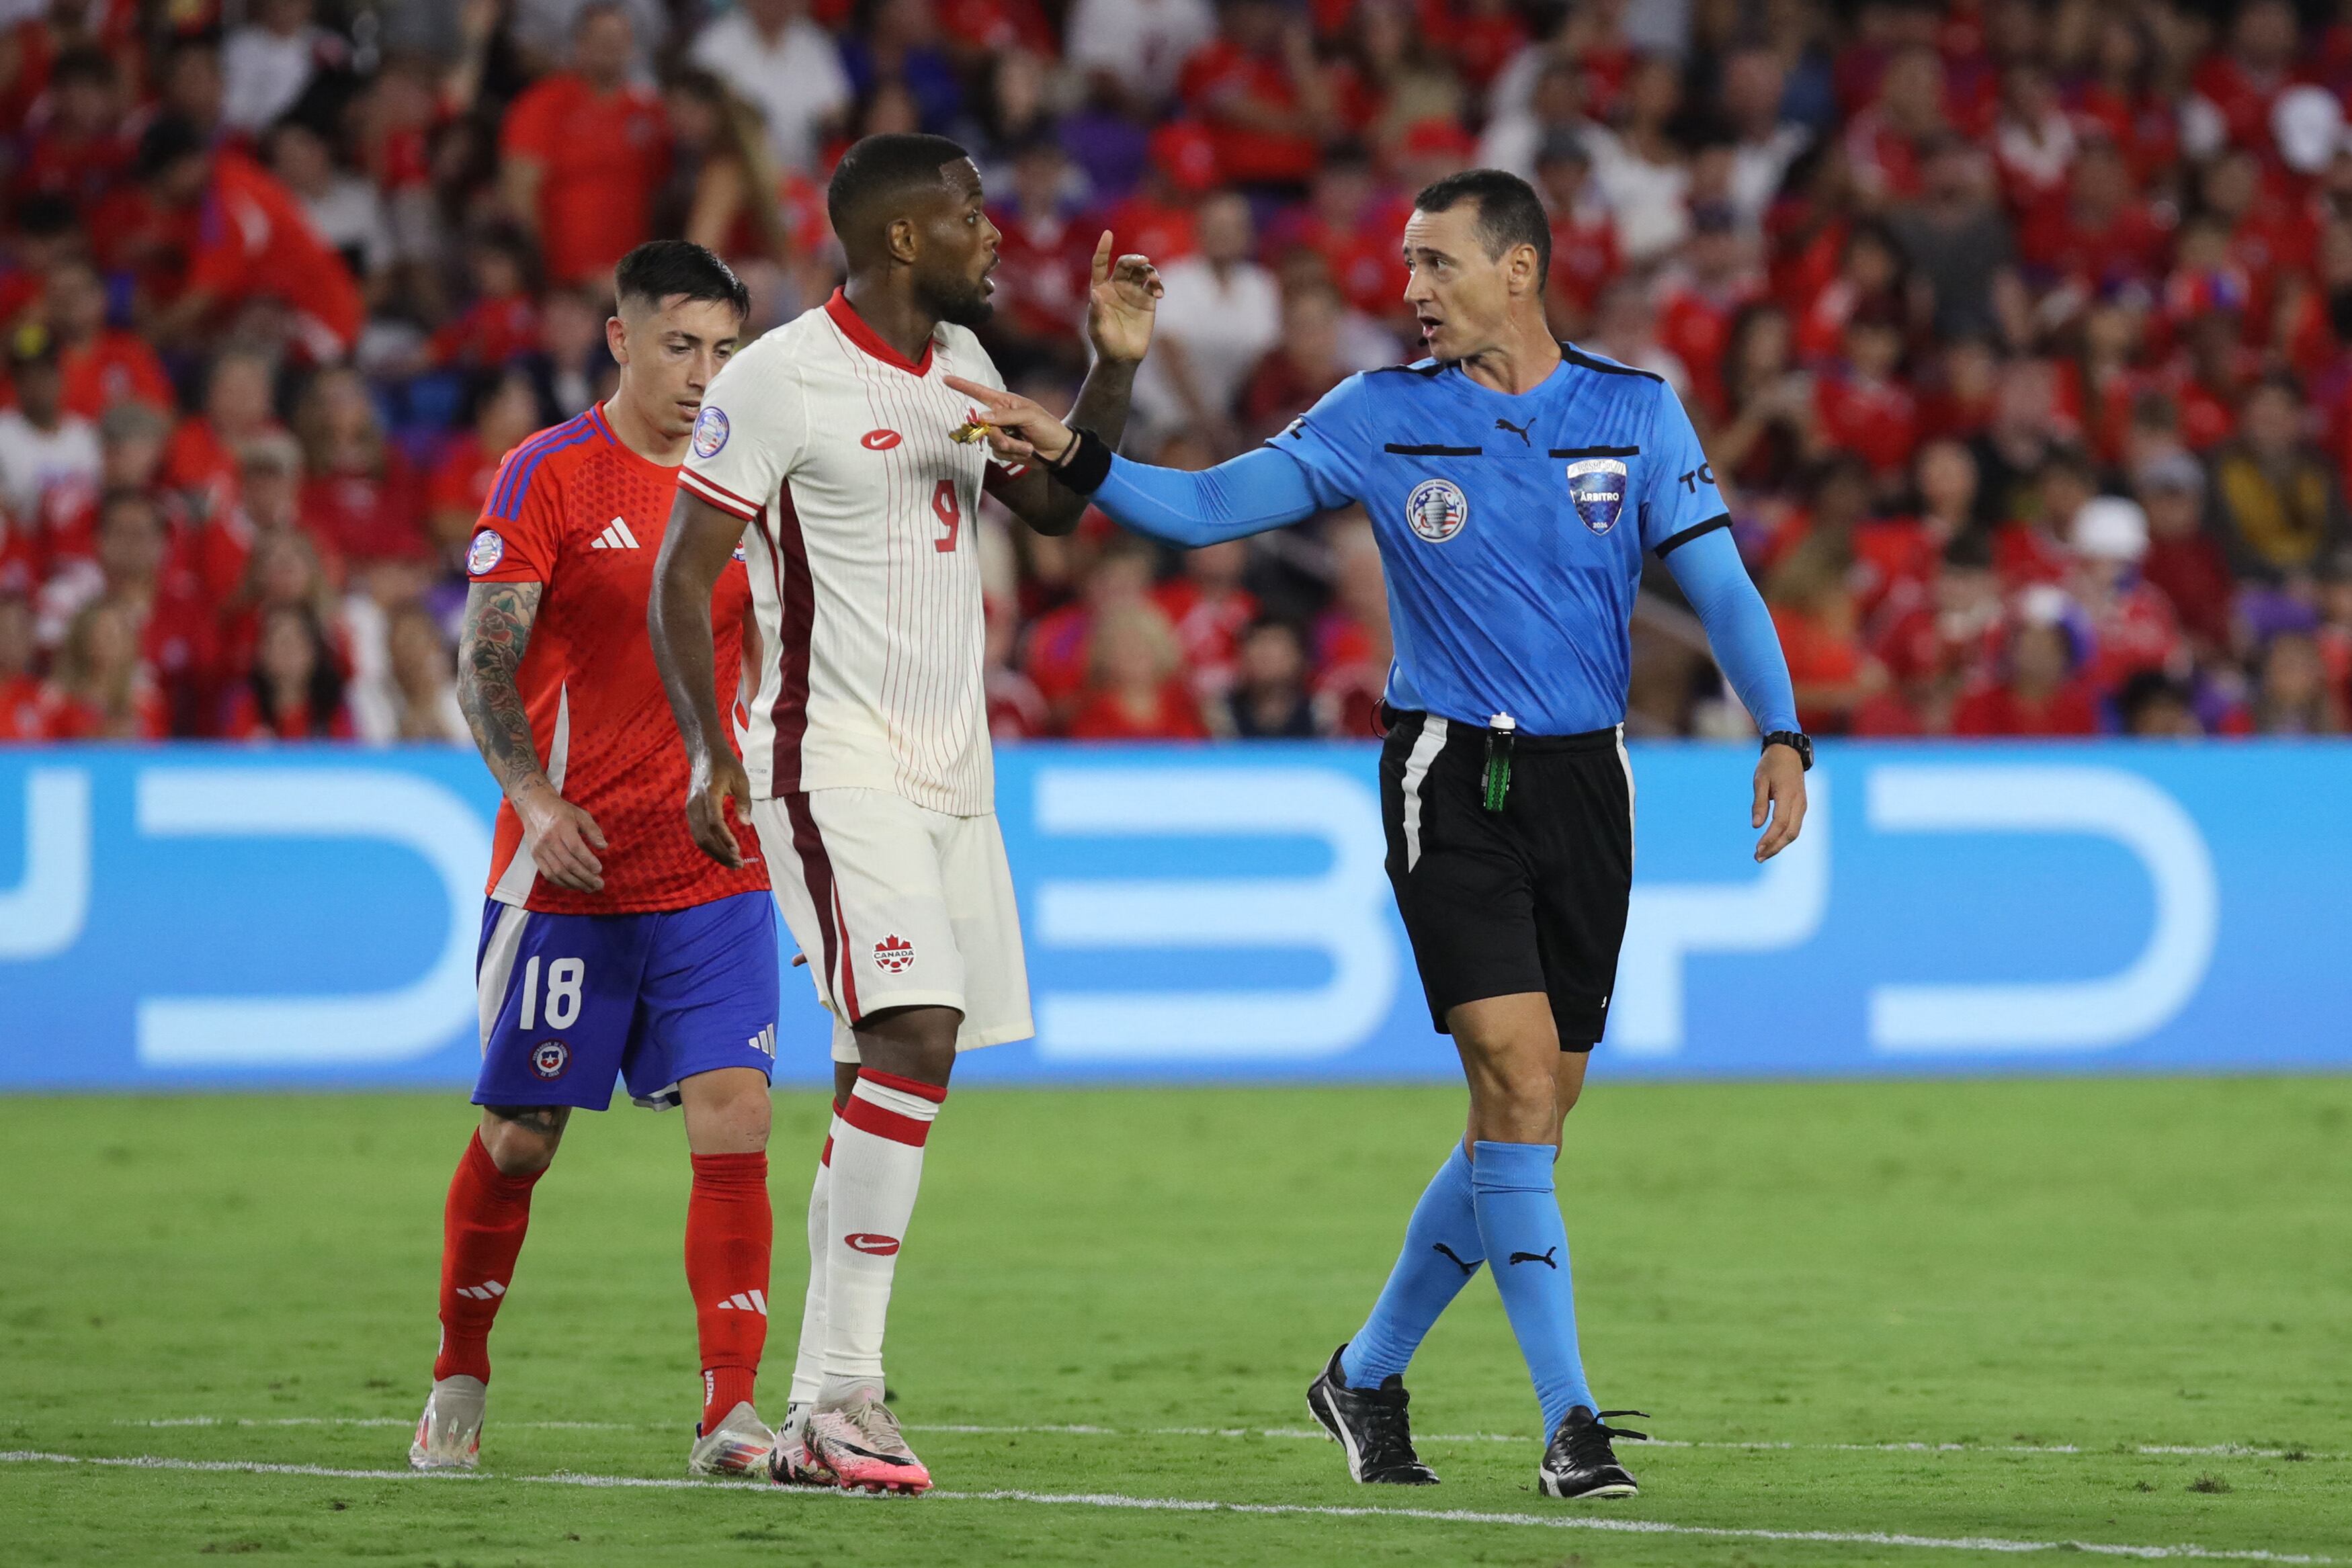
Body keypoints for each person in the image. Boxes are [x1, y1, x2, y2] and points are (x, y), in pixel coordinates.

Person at [949, 167, 1806, 1501]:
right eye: (1405, 265)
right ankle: (1570, 1421)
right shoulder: (1379, 414)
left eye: (1437, 263)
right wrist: (1077, 450)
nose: (1410, 290)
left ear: (1518, 269)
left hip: (1590, 783)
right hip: (1447, 777)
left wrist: (1781, 728)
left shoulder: (1632, 411)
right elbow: (1211, 506)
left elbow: (1721, 581)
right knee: (1518, 1085)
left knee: (1532, 1109)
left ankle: (1364, 1371)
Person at [646, 132, 1163, 1495]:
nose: (994, 238)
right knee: (916, 1034)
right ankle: (848, 1398)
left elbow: (1051, 511)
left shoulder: (964, 373)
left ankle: (820, 1407)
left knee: (878, 1072)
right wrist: (712, 753)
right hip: (828, 760)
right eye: (970, 218)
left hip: (954, 777)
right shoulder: (778, 380)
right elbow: (681, 573)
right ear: (898, 240)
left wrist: (1111, 370)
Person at [409, 241, 781, 1482]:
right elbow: (484, 661)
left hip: (712, 865)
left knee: (738, 1116)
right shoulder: (549, 476)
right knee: (521, 1140)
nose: (705, 374)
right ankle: (460, 1373)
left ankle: (730, 1410)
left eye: (726, 350)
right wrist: (532, 792)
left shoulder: (752, 479)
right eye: (682, 345)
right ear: (619, 338)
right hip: (569, 872)